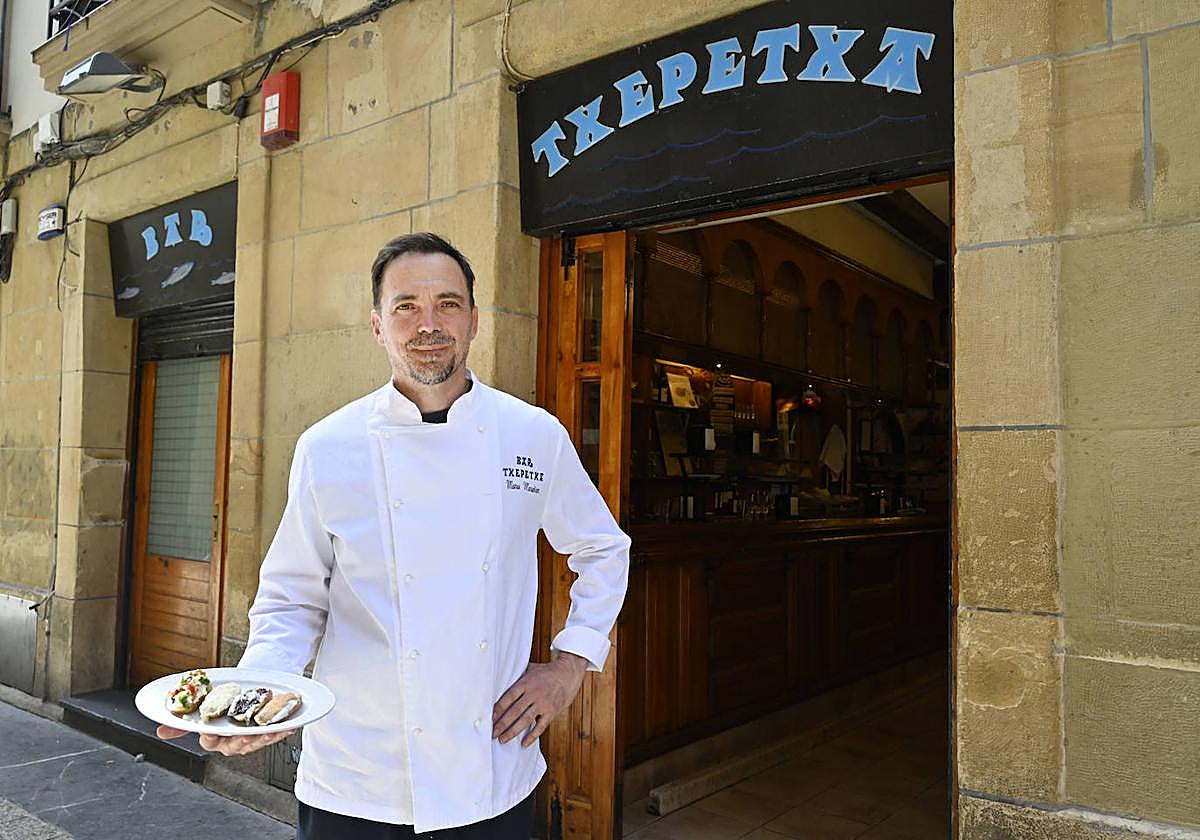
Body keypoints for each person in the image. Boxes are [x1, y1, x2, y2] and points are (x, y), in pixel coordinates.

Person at [158, 232, 631, 839]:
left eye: (448, 304)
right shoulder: (328, 446)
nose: (428, 323)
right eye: (406, 305)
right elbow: (290, 598)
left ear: (475, 320)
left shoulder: (530, 434)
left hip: (487, 769)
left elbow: (602, 548)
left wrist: (569, 666)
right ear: (379, 326)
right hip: (355, 777)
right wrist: (262, 695)